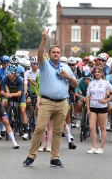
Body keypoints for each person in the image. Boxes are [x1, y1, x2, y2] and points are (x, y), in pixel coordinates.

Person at [23, 28, 78, 168]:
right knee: (39, 129)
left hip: (62, 103)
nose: (56, 54)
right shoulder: (44, 65)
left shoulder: (66, 67)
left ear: (61, 54)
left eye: (58, 52)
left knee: (58, 132)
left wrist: (69, 76)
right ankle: (31, 156)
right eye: (53, 52)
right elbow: (40, 54)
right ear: (49, 54)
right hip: (47, 102)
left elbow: (75, 84)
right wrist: (44, 39)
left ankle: (54, 158)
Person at [86, 66, 112, 154]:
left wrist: (106, 101)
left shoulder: (105, 83)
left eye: (99, 72)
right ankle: (93, 147)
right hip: (92, 107)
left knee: (102, 128)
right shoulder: (91, 83)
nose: (97, 73)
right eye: (96, 72)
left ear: (102, 73)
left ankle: (101, 148)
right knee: (92, 127)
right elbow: (87, 96)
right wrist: (88, 108)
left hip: (102, 108)